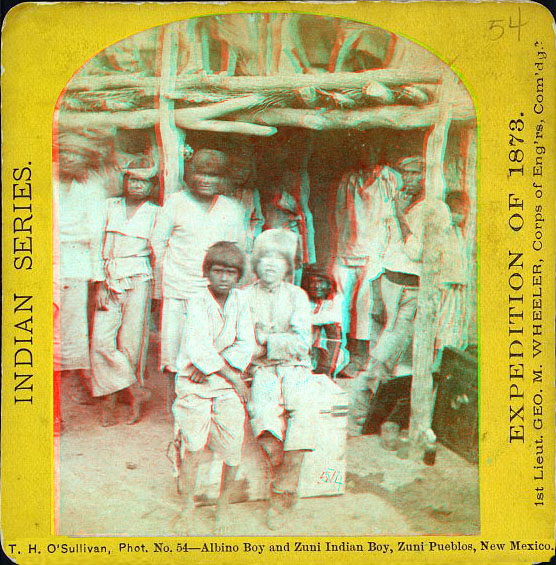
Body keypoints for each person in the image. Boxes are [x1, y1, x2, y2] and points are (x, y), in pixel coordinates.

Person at [351, 156, 451, 429]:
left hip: (412, 290)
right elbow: (381, 246)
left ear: (427, 176)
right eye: (404, 172)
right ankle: (374, 417)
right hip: (388, 285)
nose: (407, 178)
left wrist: (399, 214)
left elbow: (417, 252)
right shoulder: (399, 201)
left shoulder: (434, 209)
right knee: (382, 349)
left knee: (385, 354)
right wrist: (375, 288)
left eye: (414, 173)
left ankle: (361, 416)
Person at [152, 149, 247, 411]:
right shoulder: (175, 202)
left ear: (222, 180)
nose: (205, 179)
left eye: (212, 175)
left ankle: (207, 402)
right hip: (178, 286)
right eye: (200, 173)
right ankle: (176, 404)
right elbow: (157, 242)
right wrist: (166, 278)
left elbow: (237, 248)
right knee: (174, 347)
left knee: (209, 346)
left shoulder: (230, 208)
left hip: (213, 291)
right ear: (189, 175)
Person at [172, 242, 255, 535]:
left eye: (231, 272)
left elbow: (246, 343)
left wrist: (213, 366)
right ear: (207, 272)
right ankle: (187, 505)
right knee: (193, 447)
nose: (224, 278)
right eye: (218, 271)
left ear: (239, 276)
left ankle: (224, 505)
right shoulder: (196, 300)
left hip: (218, 377)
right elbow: (198, 345)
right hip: (196, 382)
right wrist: (231, 377)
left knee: (233, 446)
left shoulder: (242, 300)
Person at [244, 229, 317, 530]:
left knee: (304, 415)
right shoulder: (243, 296)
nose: (270, 265)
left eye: (279, 260)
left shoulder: (297, 296)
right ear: (256, 264)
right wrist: (262, 348)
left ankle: (282, 494)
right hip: (262, 369)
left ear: (289, 266)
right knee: (263, 415)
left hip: (296, 368)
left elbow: (302, 343)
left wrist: (265, 341)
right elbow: (243, 343)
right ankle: (283, 475)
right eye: (264, 259)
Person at [90, 166, 159, 426]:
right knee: (101, 340)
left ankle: (125, 395)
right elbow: (96, 244)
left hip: (140, 277)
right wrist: (99, 283)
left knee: (131, 342)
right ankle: (125, 392)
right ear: (125, 180)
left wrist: (157, 292)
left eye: (144, 181)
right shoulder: (109, 206)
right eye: (133, 179)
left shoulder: (155, 212)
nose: (137, 185)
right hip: (109, 277)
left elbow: (158, 250)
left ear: (152, 186)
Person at [332, 145, 399, 373]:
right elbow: (340, 211)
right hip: (348, 248)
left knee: (366, 305)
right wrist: (342, 240)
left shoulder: (389, 178)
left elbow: (393, 214)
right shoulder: (349, 179)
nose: (366, 156)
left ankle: (364, 358)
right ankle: (341, 356)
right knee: (342, 303)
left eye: (371, 151)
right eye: (362, 151)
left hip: (374, 250)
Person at [55, 133, 107, 409]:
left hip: (75, 263)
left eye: (75, 154)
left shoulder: (90, 191)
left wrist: (98, 279)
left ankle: (72, 382)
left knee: (72, 325)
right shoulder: (45, 183)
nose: (68, 158)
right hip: (44, 259)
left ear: (84, 161)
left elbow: (93, 234)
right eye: (64, 152)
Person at [435, 190, 470, 356]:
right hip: (444, 285)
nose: (458, 216)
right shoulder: (444, 230)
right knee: (441, 323)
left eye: (462, 213)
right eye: (455, 211)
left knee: (452, 323)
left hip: (455, 286)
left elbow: (461, 259)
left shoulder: (458, 233)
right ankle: (436, 356)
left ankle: (445, 355)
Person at [300, 266, 344, 378]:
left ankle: (325, 370)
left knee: (332, 326)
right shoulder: (303, 300)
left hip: (326, 347)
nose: (316, 286)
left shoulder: (335, 299)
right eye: (312, 282)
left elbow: (334, 317)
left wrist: (309, 319)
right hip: (307, 346)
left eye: (320, 282)